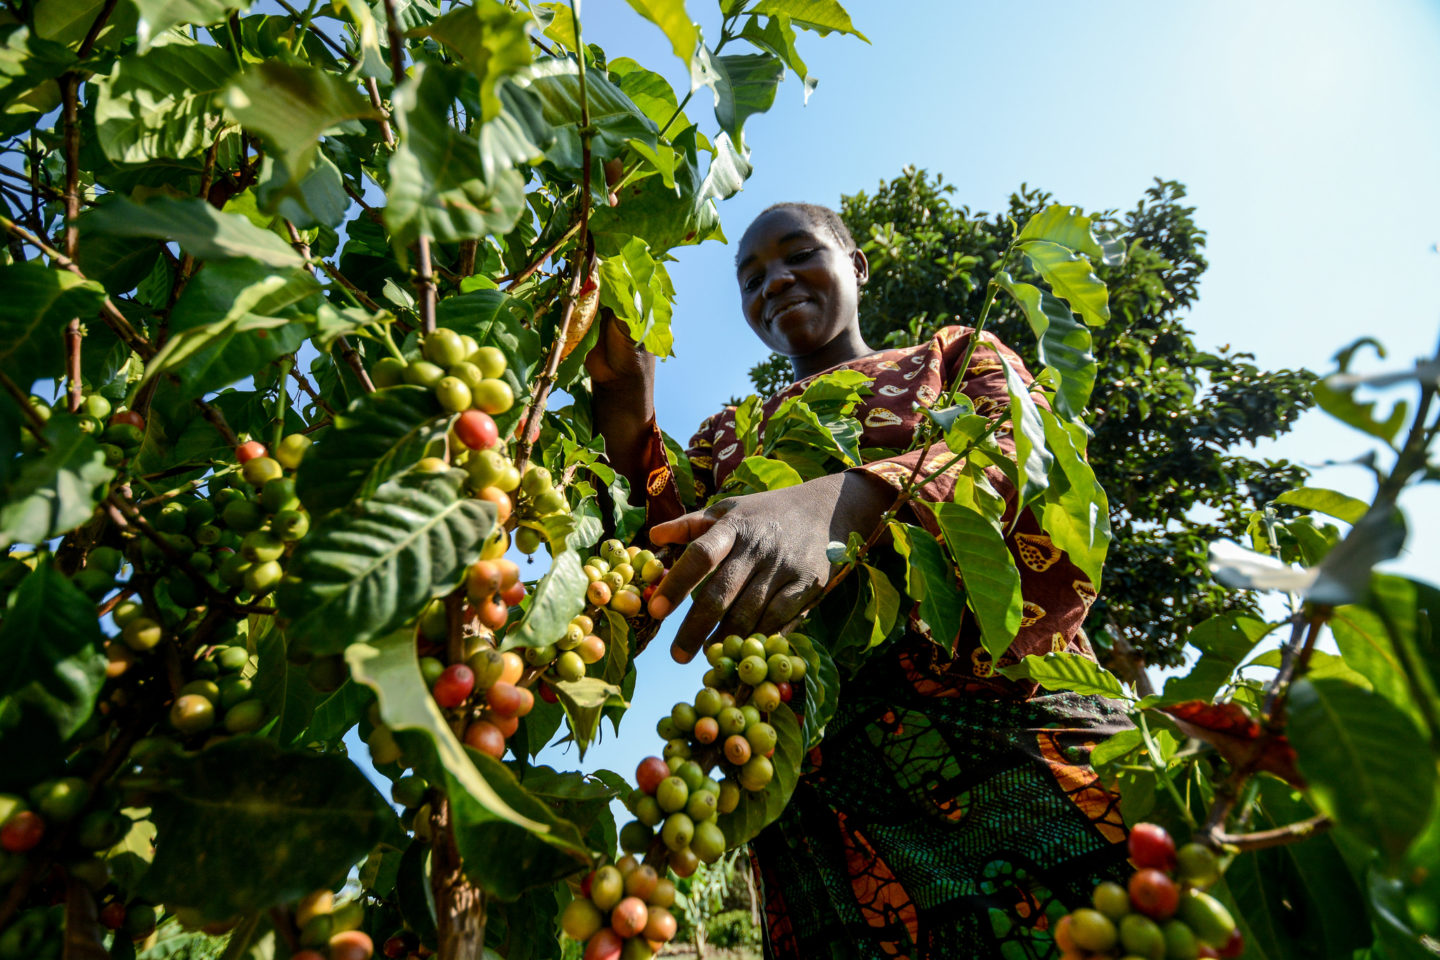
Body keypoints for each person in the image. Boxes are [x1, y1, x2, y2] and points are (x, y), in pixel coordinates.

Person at [588, 202, 1134, 959]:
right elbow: (658, 542)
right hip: (817, 788)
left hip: (1008, 728)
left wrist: (836, 506)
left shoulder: (950, 357)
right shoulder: (729, 435)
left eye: (797, 254)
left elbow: (1019, 459)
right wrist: (624, 405)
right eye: (750, 279)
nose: (773, 282)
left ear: (858, 264)